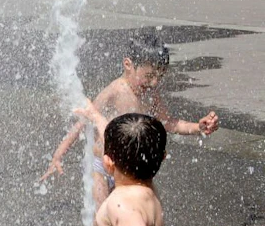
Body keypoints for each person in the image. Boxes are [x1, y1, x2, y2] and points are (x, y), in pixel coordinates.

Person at [41, 33, 219, 209]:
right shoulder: (115, 90)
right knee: (99, 218)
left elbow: (167, 122)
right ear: (128, 65)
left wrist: (198, 127)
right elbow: (84, 120)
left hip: (129, 170)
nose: (154, 82)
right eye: (149, 76)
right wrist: (58, 156)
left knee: (128, 213)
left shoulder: (151, 94)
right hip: (101, 167)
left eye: (159, 77)